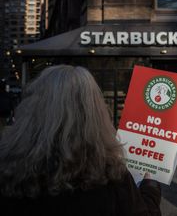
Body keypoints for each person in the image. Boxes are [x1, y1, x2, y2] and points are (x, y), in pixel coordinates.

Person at [0, 65, 161, 216]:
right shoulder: (112, 176)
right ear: (96, 114)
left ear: (30, 110)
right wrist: (150, 187)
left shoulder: (9, 172)